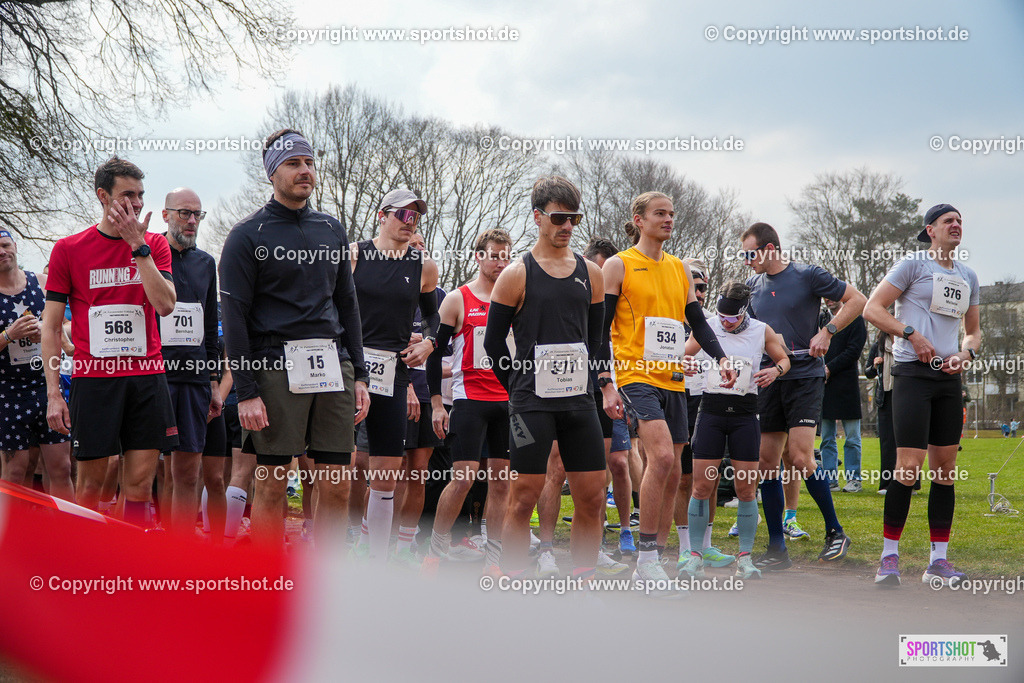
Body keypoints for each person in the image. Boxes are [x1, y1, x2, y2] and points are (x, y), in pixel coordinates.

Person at [219, 129, 369, 546]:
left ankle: (327, 574)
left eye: (309, 162)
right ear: (271, 173)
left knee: (336, 482)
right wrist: (246, 392)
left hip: (333, 366)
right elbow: (234, 318)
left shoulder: (332, 229)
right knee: (272, 484)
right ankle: (268, 577)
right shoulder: (247, 235)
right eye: (293, 163)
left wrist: (360, 375)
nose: (305, 171)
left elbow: (348, 305)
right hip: (274, 367)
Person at [598, 191, 735, 591]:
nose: (669, 219)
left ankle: (653, 558)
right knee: (658, 457)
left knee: (674, 470)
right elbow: (599, 329)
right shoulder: (619, 265)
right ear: (639, 220)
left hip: (673, 378)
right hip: (634, 375)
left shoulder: (679, 269)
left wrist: (722, 358)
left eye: (672, 213)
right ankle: (646, 559)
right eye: (660, 213)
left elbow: (698, 321)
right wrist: (605, 382)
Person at [484, 175, 607, 585]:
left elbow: (596, 340)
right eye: (558, 218)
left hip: (579, 403)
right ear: (537, 217)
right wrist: (518, 387)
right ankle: (515, 578)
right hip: (531, 405)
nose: (567, 226)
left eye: (574, 218)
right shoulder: (516, 274)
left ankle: (585, 582)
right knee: (522, 499)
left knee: (592, 498)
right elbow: (493, 342)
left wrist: (592, 381)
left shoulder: (592, 274)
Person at [41, 157, 178, 524]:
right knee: (90, 487)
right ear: (103, 196)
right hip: (95, 380)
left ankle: (128, 555)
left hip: (146, 377)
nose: (136, 203)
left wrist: (137, 246)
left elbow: (165, 305)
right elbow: (51, 327)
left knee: (139, 487)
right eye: (127, 195)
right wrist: (54, 394)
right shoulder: (68, 249)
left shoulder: (154, 245)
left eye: (141, 195)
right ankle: (87, 554)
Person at [864, 204, 980, 587]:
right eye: (949, 221)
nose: (956, 225)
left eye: (960, 221)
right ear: (930, 229)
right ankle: (888, 559)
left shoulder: (968, 276)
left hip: (948, 380)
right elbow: (872, 309)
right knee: (908, 467)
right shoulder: (912, 265)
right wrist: (911, 334)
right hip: (912, 373)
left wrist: (966, 354)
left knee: (945, 471)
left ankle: (938, 562)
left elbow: (973, 331)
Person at [740, 221, 865, 569]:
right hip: (770, 378)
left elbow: (857, 300)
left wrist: (828, 331)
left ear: (769, 249)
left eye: (750, 254)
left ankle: (835, 532)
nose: (747, 261)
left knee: (799, 457)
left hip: (805, 377)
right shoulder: (751, 287)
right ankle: (777, 548)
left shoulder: (808, 275)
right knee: (766, 463)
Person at [349, 188, 439, 565]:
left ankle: (378, 562)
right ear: (381, 215)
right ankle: (333, 551)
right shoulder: (354, 255)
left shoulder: (424, 266)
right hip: (350, 370)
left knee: (386, 473)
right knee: (337, 468)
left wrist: (430, 343)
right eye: (402, 214)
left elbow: (433, 317)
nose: (409, 222)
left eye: (415, 216)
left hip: (393, 374)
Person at [680, 282, 791, 580]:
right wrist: (684, 363)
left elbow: (784, 359)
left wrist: (775, 370)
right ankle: (695, 556)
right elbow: (683, 355)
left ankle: (745, 558)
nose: (726, 323)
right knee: (701, 488)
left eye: (732, 318)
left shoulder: (761, 330)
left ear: (744, 312)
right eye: (721, 317)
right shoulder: (707, 327)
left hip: (744, 415)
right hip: (711, 413)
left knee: (746, 489)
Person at [422, 229, 513, 575]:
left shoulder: (516, 299)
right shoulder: (457, 299)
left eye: (506, 256)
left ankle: (494, 560)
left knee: (501, 483)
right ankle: (435, 552)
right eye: (494, 255)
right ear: (478, 256)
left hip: (506, 401)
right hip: (469, 399)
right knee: (463, 478)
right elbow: (434, 355)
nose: (501, 263)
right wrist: (436, 403)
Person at [158, 188, 222, 535]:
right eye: (185, 213)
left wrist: (213, 381)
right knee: (144, 471)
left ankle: (177, 550)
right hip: (155, 376)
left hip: (194, 379)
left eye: (198, 214)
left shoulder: (206, 263)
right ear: (166, 214)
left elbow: (210, 328)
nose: (192, 221)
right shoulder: (149, 254)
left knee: (186, 473)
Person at [0, 229, 74, 501]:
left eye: (5, 245)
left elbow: (66, 326)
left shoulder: (41, 283)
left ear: (15, 246)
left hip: (47, 386)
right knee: (15, 472)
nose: (2, 252)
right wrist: (9, 335)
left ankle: (67, 526)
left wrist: (46, 330)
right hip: (8, 391)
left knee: (62, 467)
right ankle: (13, 527)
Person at [674, 257, 733, 571]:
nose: (699, 294)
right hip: (677, 399)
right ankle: (685, 547)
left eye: (703, 288)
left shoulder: (711, 320)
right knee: (683, 479)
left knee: (710, 476)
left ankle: (706, 546)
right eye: (694, 287)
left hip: (709, 401)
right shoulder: (668, 317)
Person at [583, 236, 636, 557]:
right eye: (598, 272)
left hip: (613, 390)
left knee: (618, 462)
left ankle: (626, 530)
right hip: (578, 389)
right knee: (591, 467)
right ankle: (597, 530)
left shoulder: (617, 301)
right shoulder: (577, 294)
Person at [819, 298, 867, 493]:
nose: (828, 299)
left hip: (847, 385)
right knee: (826, 438)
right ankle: (830, 479)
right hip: (824, 384)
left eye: (832, 296)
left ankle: (854, 479)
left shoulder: (855, 319)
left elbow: (853, 351)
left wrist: (829, 368)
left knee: (852, 437)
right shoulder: (821, 320)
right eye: (826, 296)